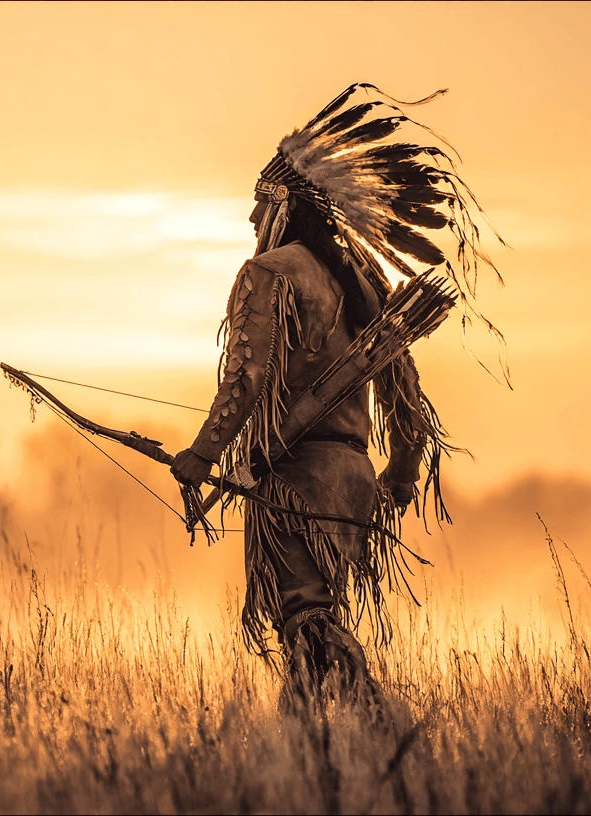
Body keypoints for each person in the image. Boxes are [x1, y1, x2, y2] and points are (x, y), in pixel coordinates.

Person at [169, 84, 502, 709]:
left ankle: (381, 722)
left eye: (257, 206)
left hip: (296, 476)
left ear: (282, 206)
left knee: (307, 622)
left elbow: (244, 377)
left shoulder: (269, 273)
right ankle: (310, 755)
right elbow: (405, 397)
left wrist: (202, 453)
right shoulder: (362, 283)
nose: (249, 221)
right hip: (352, 479)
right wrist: (399, 477)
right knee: (312, 623)